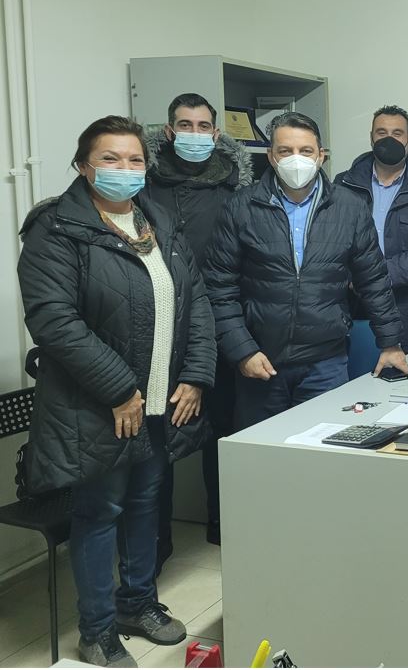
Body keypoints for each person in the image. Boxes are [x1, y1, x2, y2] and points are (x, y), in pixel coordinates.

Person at [18, 116, 215, 667]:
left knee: (146, 504)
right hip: (99, 406)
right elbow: (55, 321)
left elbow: (195, 301)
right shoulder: (56, 229)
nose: (125, 169)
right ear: (83, 165)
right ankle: (98, 631)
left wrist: (195, 375)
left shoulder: (158, 223)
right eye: (110, 159)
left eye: (134, 159)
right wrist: (120, 389)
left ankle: (137, 604)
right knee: (100, 511)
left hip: (157, 401)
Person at [204, 112, 406, 429]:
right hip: (261, 361)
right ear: (271, 155)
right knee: (263, 452)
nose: (295, 159)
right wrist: (242, 351)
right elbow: (218, 288)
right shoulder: (241, 207)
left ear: (320, 156)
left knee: (324, 449)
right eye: (285, 151)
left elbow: (373, 280)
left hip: (326, 364)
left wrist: (390, 343)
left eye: (306, 151)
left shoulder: (349, 207)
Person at [145, 92, 253, 557]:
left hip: (222, 320)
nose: (194, 134)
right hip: (160, 327)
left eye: (203, 126)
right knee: (158, 434)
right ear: (170, 131)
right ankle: (157, 543)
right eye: (185, 126)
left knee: (223, 428)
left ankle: (222, 524)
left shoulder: (235, 185)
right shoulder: (144, 184)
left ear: (216, 132)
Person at [335, 104, 408, 352]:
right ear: (371, 138)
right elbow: (328, 243)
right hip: (354, 310)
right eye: (382, 133)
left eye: (397, 133)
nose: (389, 139)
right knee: (356, 374)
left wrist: (375, 276)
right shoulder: (343, 185)